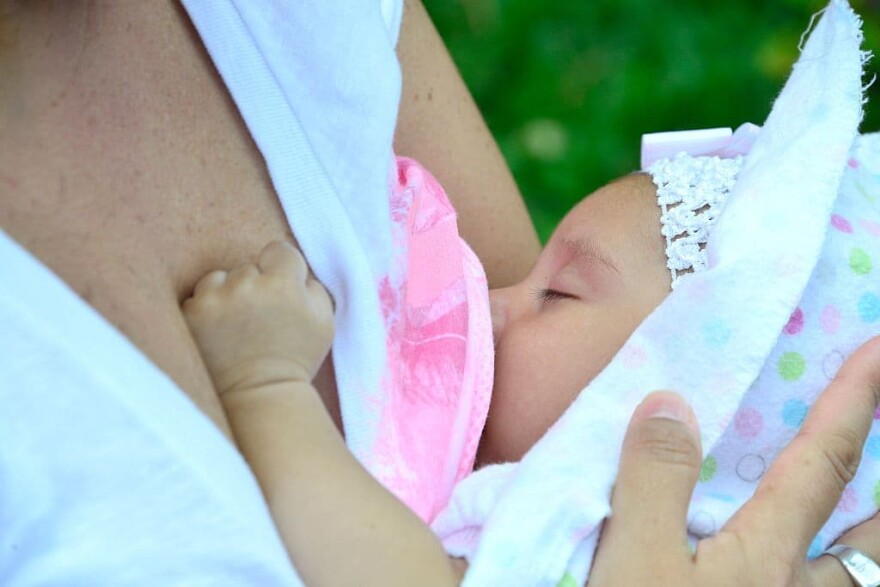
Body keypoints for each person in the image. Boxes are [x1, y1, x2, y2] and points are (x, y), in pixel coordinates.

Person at [0, 0, 878, 585]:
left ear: (704, 414)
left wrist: (266, 392)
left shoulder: (583, 539)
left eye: (557, 295)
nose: (485, 297)